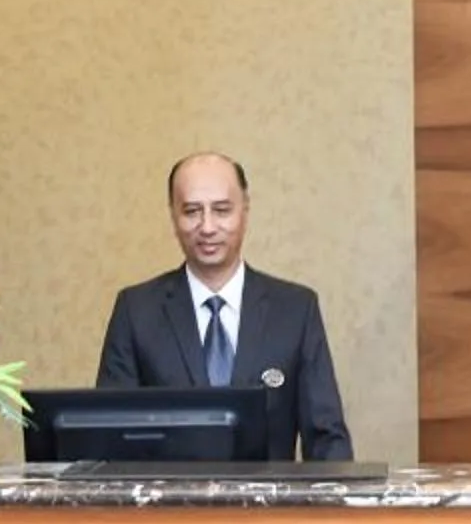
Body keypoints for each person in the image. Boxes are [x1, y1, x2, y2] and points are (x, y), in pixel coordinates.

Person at [98, 152, 354, 461]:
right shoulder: (136, 311)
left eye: (221, 210)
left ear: (245, 210)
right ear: (173, 215)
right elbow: (108, 440)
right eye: (192, 211)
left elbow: (327, 439)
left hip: (270, 507)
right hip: (170, 507)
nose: (207, 227)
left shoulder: (296, 310)